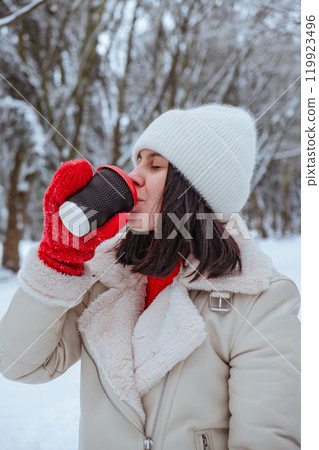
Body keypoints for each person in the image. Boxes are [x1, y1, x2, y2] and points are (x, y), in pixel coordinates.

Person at [0, 104, 300, 449]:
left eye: (155, 165)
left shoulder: (261, 300)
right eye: (138, 160)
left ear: (196, 192)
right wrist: (58, 259)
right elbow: (20, 365)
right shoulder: (106, 275)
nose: (134, 176)